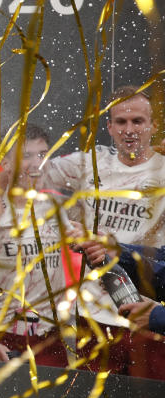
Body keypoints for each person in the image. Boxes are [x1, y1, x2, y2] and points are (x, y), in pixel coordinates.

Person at [40, 85, 165, 379]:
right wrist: (66, 226)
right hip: (94, 318)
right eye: (121, 122)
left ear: (153, 126)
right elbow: (30, 180)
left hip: (148, 316)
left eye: (138, 121)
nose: (129, 130)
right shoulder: (89, 165)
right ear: (109, 127)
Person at [0, 125, 73, 365]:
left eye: (42, 155)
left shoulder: (55, 207)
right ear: (6, 163)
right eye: (26, 156)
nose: (36, 164)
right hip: (2, 338)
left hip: (50, 340)